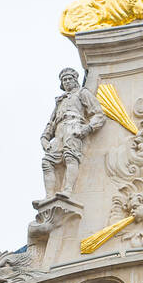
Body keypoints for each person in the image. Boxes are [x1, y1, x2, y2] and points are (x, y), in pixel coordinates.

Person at [41, 69, 104, 199]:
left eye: (70, 78)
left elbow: (99, 114)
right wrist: (44, 138)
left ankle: (68, 191)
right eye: (64, 80)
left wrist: (88, 128)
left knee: (70, 157)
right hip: (59, 131)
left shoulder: (82, 92)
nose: (67, 81)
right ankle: (49, 196)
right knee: (47, 162)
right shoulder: (60, 100)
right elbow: (51, 122)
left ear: (75, 80)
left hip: (74, 125)